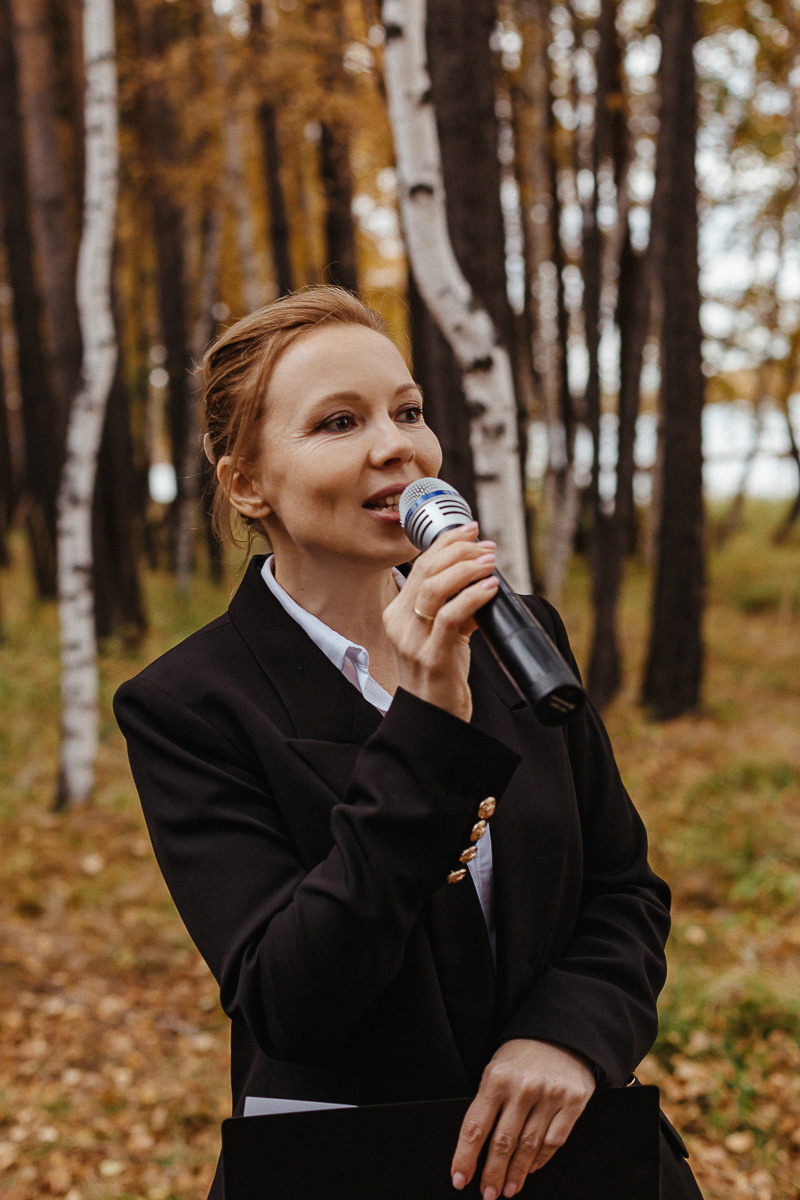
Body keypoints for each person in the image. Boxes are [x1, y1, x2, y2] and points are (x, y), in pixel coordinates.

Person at [114, 286, 701, 1200]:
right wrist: (428, 722)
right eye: (339, 422)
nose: (398, 445)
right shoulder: (190, 705)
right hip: (359, 1172)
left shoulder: (515, 632)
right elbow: (294, 1001)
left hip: (576, 1157)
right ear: (247, 484)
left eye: (409, 411)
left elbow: (623, 887)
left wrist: (570, 1033)